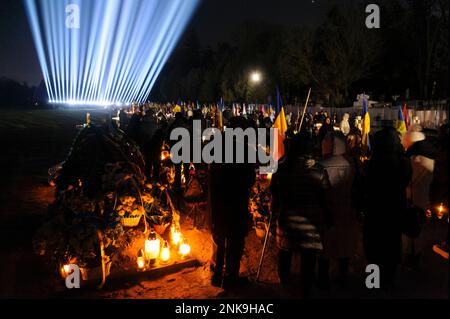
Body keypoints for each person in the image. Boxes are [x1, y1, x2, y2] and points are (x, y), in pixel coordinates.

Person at [271, 132, 332, 298]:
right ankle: (306, 286)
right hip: (311, 222)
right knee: (308, 256)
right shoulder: (319, 170)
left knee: (285, 250)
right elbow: (325, 196)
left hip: (288, 219)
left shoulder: (281, 168)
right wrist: (328, 216)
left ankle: (284, 279)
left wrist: (275, 210)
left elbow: (274, 192)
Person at [208, 117, 256, 290]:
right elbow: (250, 179)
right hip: (236, 203)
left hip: (220, 202)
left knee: (221, 239)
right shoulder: (244, 150)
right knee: (235, 242)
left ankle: (218, 275)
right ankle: (230, 279)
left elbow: (212, 174)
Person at [363, 127, 412, 290]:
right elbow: (406, 180)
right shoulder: (403, 161)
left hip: (376, 209)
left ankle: (374, 282)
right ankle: (390, 280)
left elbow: (367, 185)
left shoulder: (374, 161)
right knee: (392, 243)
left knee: (376, 246)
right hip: (395, 207)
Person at [319, 132, 359, 288]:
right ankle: (343, 277)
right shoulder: (354, 164)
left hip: (327, 211)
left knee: (325, 248)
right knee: (345, 246)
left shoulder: (321, 165)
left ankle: (323, 280)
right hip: (348, 210)